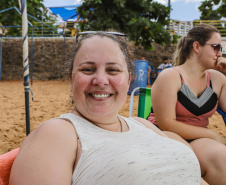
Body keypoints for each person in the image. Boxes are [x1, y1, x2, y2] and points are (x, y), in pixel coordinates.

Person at [9, 31, 205, 185]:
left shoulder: (142, 124)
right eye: (88, 69)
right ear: (71, 79)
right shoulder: (58, 134)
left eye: (112, 70)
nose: (101, 80)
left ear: (129, 80)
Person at [148, 24, 226, 185]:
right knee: (193, 159)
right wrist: (212, 135)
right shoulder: (170, 76)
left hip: (197, 138)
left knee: (221, 160)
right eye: (216, 47)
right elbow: (167, 123)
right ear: (197, 46)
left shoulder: (217, 79)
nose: (220, 53)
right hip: (164, 135)